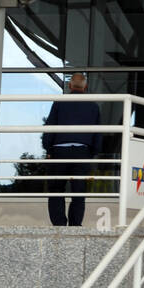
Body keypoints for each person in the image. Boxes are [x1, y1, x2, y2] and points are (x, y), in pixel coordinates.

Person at [42, 72, 100, 227]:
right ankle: (75, 226)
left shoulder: (60, 103)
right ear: (85, 86)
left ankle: (59, 225)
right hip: (82, 152)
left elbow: (50, 127)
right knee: (78, 191)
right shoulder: (93, 106)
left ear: (69, 85)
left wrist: (47, 148)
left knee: (56, 189)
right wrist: (92, 153)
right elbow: (98, 133)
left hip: (59, 152)